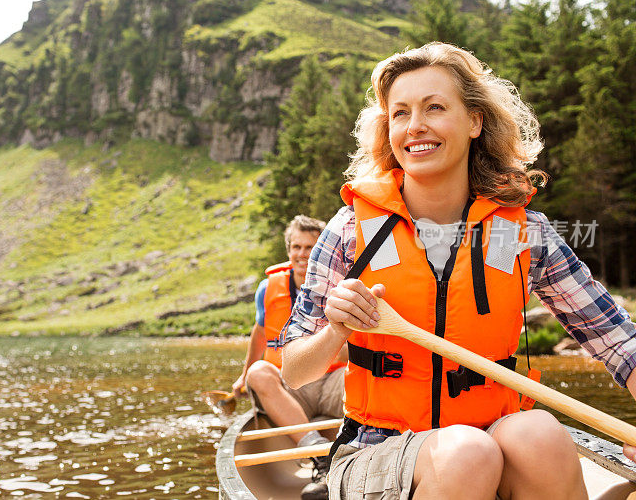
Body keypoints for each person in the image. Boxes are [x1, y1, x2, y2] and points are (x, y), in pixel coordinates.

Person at [280, 42, 636, 499]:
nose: (415, 126)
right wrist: (333, 332)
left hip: (493, 433)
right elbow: (293, 370)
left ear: (474, 121)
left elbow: (617, 339)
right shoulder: (351, 230)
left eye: (434, 108)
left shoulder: (520, 232)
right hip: (377, 448)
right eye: (400, 113)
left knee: (539, 434)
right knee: (467, 452)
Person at [233, 214, 347, 500]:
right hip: (293, 386)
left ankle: (349, 450)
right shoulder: (267, 288)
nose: (302, 254)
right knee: (258, 373)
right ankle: (320, 453)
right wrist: (243, 375)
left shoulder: (343, 282)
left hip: (335, 381)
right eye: (296, 247)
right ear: (288, 250)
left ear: (323, 248)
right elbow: (260, 332)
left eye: (310, 247)